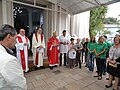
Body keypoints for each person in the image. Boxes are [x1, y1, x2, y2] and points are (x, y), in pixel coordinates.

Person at [0, 24, 27, 90]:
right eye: (15, 38)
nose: (16, 42)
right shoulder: (9, 60)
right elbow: (20, 87)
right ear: (9, 37)